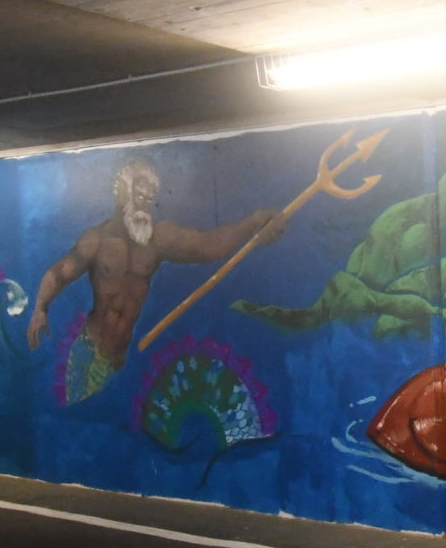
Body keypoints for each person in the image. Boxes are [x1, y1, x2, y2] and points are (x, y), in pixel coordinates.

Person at [27, 158, 284, 402]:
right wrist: (40, 308)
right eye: (140, 196)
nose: (146, 206)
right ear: (122, 196)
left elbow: (210, 245)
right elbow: (59, 273)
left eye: (150, 199)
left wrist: (252, 223)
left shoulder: (156, 239)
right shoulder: (96, 241)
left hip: (122, 358)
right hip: (90, 353)